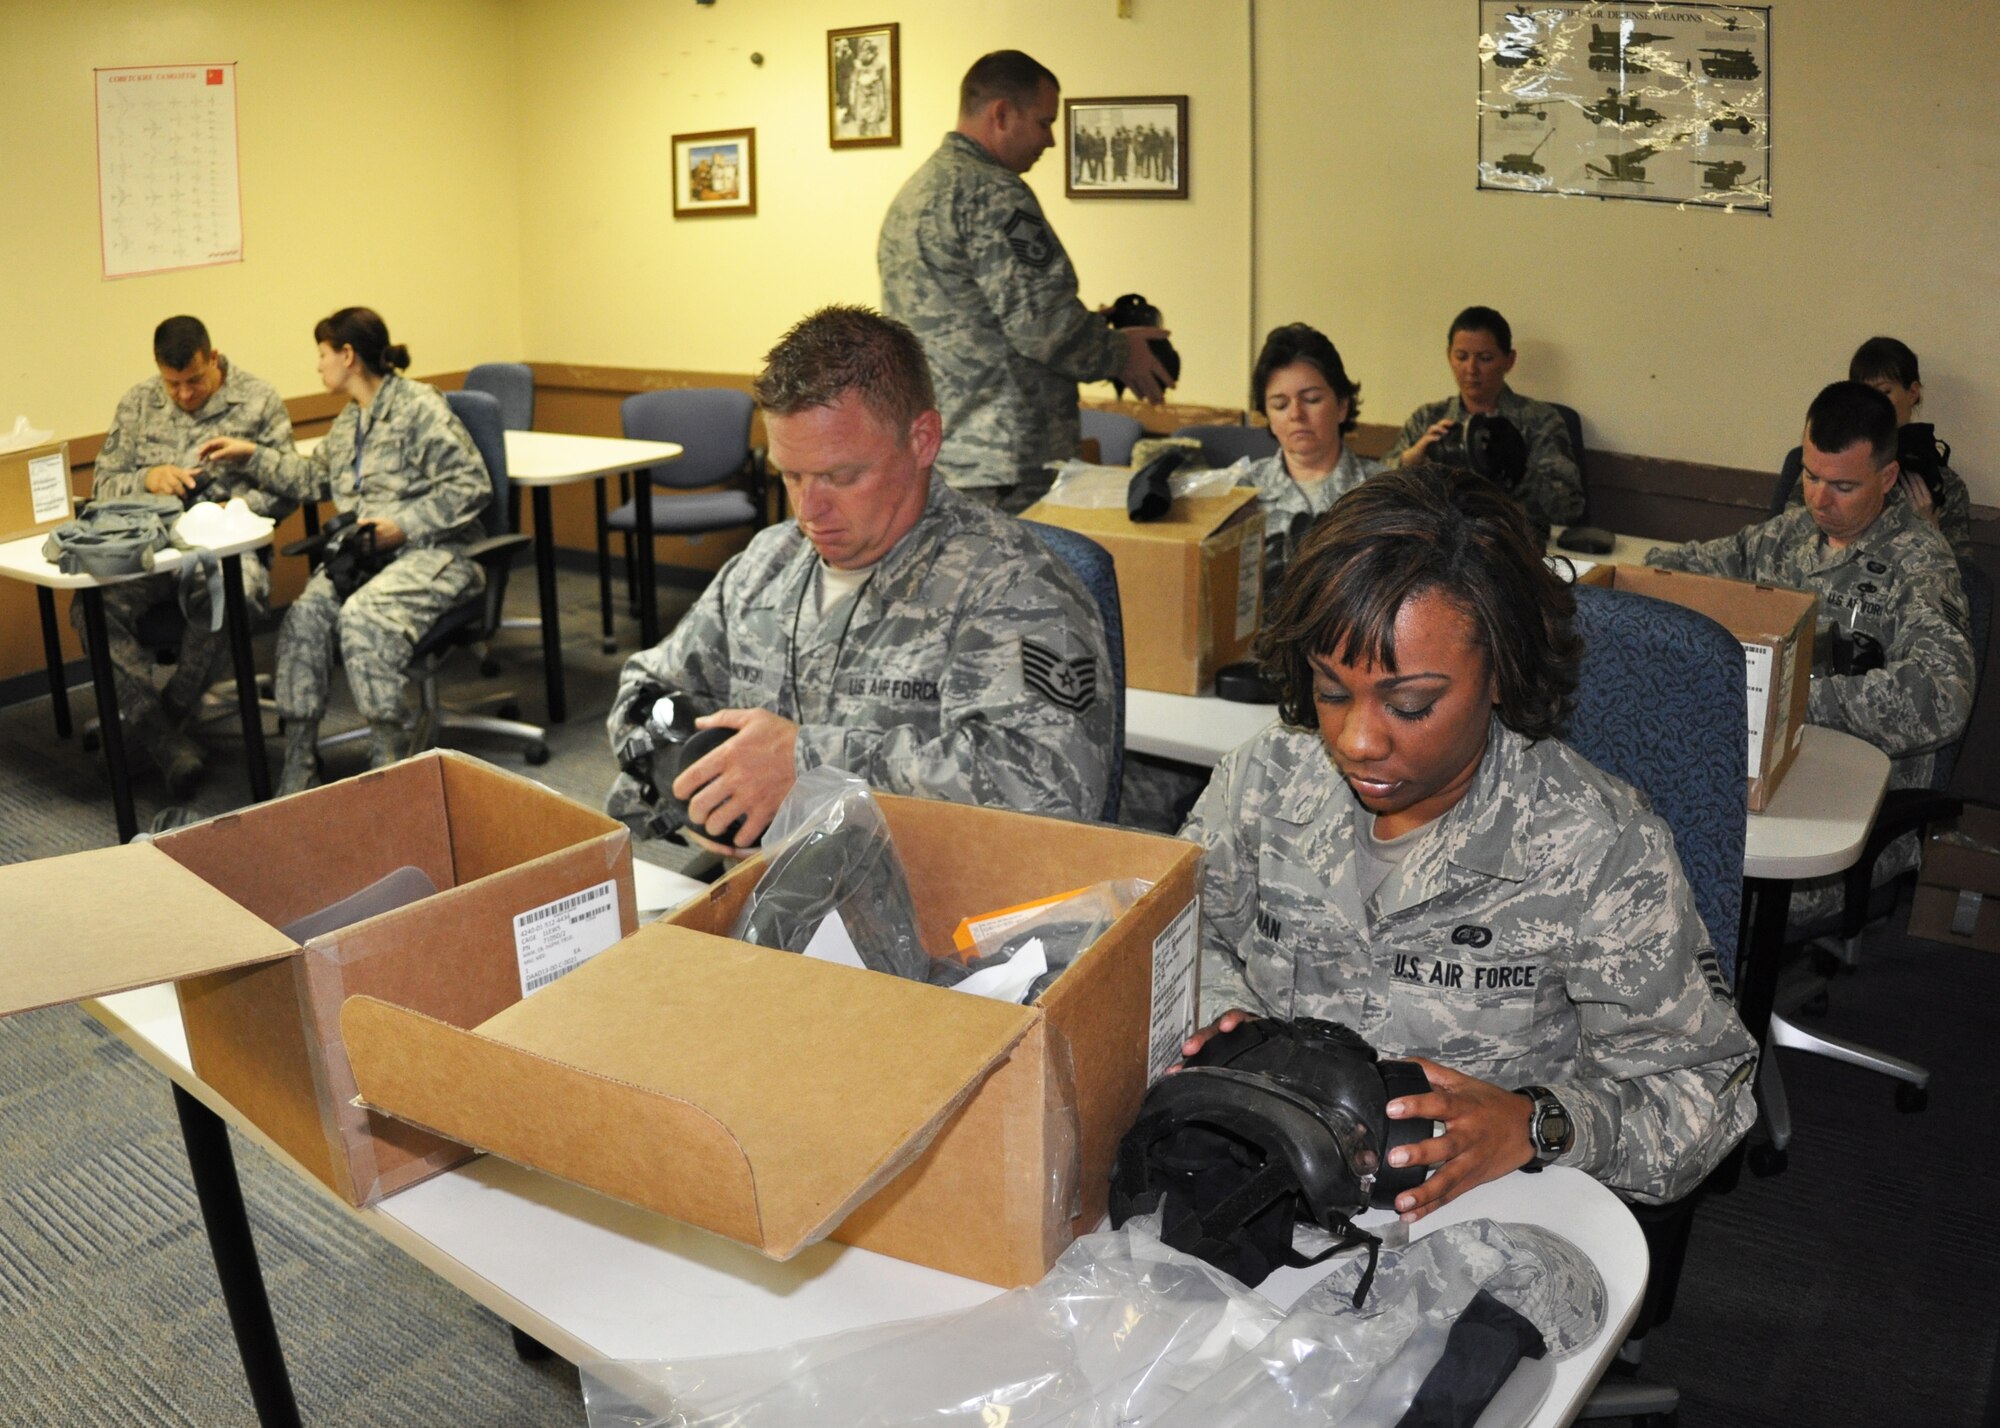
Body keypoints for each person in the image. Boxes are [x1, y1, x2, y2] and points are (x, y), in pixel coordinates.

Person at [1180, 464, 1757, 1222]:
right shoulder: (1266, 779)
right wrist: (1232, 1030)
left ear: (1498, 674)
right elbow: (1174, 941)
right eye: (1330, 691)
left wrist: (1540, 1124)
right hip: (1259, 1188)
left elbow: (1702, 1095)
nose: (1356, 740)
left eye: (1410, 703)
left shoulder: (1597, 849)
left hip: (1477, 1229)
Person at [606, 305, 1116, 851]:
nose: (809, 509)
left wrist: (807, 766)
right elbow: (644, 696)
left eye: (841, 476)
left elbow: (1055, 790)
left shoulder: (1013, 585)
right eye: (792, 476)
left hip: (932, 909)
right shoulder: (769, 563)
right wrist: (697, 789)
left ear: (922, 440)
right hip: (763, 893)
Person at [1648, 380, 1974, 918]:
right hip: (1760, 773)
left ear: (1888, 477)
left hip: (1846, 800)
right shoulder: (1790, 533)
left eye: (1843, 486)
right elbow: (1687, 570)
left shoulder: (1920, 563)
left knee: (1709, 885)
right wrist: (1599, 580)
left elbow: (1943, 696)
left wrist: (1794, 698)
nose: (1818, 499)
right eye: (1810, 475)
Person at [200, 307, 490, 795]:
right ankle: (299, 759)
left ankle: (389, 755)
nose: (318, 366)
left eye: (322, 354)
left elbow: (471, 485)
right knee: (305, 617)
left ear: (348, 355)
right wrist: (251, 453)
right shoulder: (350, 422)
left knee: (362, 616)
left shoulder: (418, 407)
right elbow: (314, 478)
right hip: (369, 558)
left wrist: (402, 525)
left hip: (437, 553)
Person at [879, 50, 1173, 512]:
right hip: (1009, 463)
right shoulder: (995, 193)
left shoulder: (914, 195)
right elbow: (1045, 329)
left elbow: (973, 318)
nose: (1052, 140)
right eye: (1043, 122)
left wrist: (1085, 324)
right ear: (1001, 114)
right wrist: (1123, 351)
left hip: (941, 453)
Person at [80, 315, 295, 796]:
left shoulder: (258, 400)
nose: (183, 395)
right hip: (150, 551)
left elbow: (288, 490)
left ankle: (160, 726)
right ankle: (165, 740)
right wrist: (147, 478)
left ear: (213, 358)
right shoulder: (138, 403)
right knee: (92, 608)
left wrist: (232, 508)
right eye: (172, 384)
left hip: (226, 553)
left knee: (233, 595)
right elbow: (101, 488)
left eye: (194, 381)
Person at [1384, 306, 1584, 529]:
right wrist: (1409, 463)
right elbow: (1379, 495)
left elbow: (1569, 509)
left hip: (1515, 543)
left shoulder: (1540, 421)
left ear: (1509, 360)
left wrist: (1518, 471)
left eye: (1485, 358)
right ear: (1449, 356)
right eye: (1461, 357)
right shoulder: (1427, 419)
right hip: (1438, 542)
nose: (1471, 369)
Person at [1777, 337, 1972, 559]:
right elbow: (1787, 542)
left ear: (1913, 393)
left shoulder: (1945, 484)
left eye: (1884, 392)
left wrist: (1929, 531)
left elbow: (1963, 581)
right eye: (1863, 393)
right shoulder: (1824, 463)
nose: (1873, 405)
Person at [1238, 323, 1384, 591]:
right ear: (1267, 417)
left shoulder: (1383, 491)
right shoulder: (1241, 494)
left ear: (1342, 406)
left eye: (1312, 399)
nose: (1296, 414)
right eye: (1280, 405)